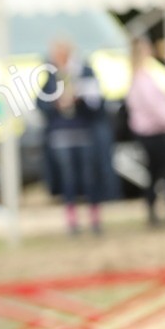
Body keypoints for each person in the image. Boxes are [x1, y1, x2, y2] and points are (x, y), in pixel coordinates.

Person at [38, 39, 106, 234]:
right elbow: (41, 103)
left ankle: (94, 217)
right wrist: (55, 104)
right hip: (61, 134)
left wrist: (81, 99)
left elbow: (98, 103)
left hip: (83, 131)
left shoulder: (83, 71)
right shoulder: (50, 76)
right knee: (68, 178)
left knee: (89, 177)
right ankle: (72, 219)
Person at [125, 37, 165, 225]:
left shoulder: (136, 77)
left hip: (145, 132)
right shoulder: (143, 79)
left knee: (154, 172)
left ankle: (153, 209)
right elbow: (155, 107)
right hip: (154, 131)